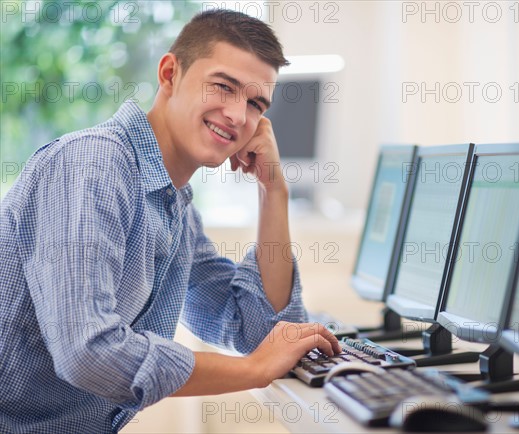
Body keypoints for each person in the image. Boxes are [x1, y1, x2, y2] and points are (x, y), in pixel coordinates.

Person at [0, 9, 341, 433]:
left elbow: (259, 331)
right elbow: (87, 353)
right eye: (223, 86)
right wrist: (253, 369)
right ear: (169, 74)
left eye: (255, 103)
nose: (238, 116)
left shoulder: (174, 205)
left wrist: (274, 192)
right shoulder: (93, 166)